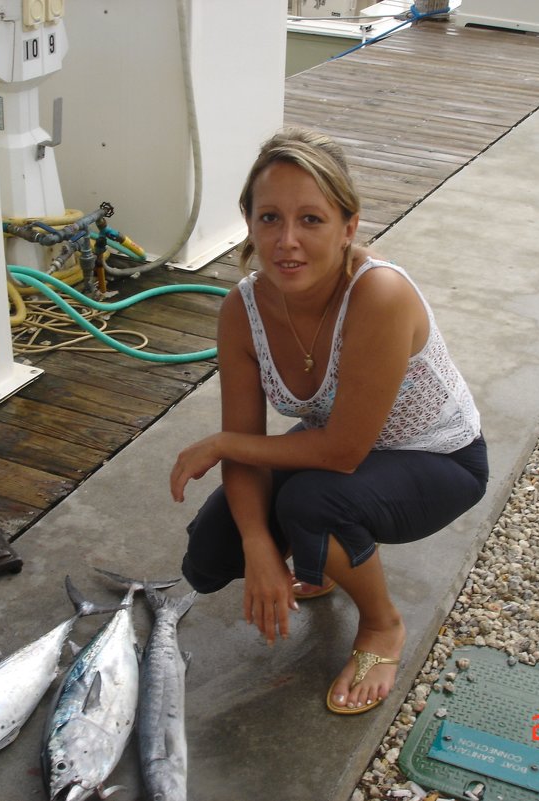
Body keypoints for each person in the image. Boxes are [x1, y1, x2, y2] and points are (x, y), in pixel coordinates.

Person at [169, 127, 488, 715]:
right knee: (213, 557)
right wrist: (261, 547)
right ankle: (325, 561)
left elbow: (339, 452)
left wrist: (219, 443)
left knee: (313, 503)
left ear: (349, 226)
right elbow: (249, 447)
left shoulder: (379, 294)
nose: (287, 241)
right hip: (343, 450)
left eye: (311, 220)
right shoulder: (242, 309)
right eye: (270, 218)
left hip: (439, 458)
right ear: (248, 222)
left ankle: (381, 625)